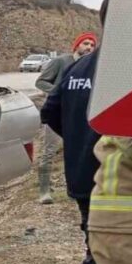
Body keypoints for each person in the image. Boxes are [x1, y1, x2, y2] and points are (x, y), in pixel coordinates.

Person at [40, 3, 108, 264]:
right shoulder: (127, 67)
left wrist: (78, 138)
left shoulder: (78, 67)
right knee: (118, 260)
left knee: (94, 255)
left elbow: (49, 111)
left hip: (82, 176)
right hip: (117, 182)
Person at [35, 32, 99, 204]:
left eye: (92, 45)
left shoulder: (92, 66)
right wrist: (59, 93)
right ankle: (44, 191)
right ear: (77, 45)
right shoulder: (61, 61)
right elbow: (40, 82)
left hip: (79, 117)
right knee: (49, 152)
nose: (89, 47)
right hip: (57, 113)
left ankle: (76, 187)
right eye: (85, 43)